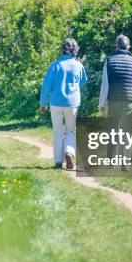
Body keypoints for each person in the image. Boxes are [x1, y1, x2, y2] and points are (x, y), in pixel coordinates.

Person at [98, 34, 132, 164]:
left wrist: (101, 104)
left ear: (116, 46)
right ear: (129, 47)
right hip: (129, 102)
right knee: (127, 132)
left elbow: (105, 85)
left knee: (112, 131)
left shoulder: (109, 61)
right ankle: (125, 161)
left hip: (113, 102)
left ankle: (111, 160)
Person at [40, 39, 88, 170]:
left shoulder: (55, 65)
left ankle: (58, 161)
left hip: (56, 102)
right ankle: (69, 152)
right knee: (70, 131)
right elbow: (83, 81)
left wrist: (43, 104)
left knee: (57, 132)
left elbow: (46, 86)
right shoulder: (78, 66)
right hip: (72, 103)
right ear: (75, 50)